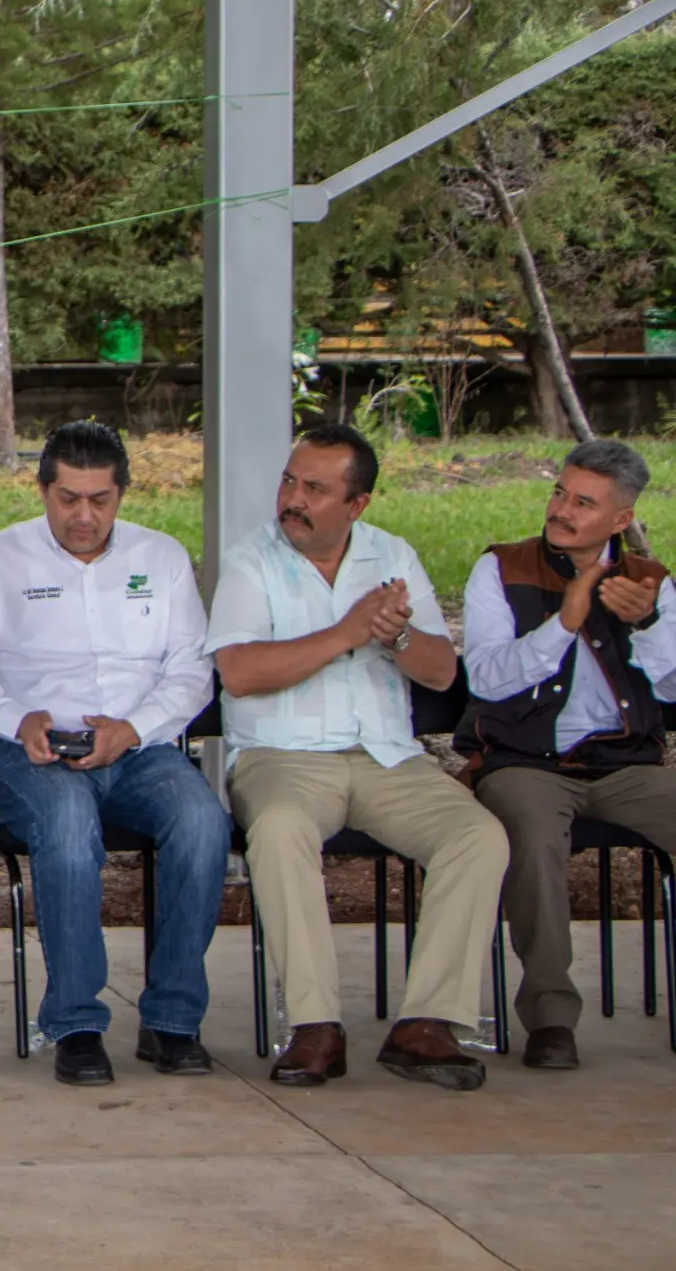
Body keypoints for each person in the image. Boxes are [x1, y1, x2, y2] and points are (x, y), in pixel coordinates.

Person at [208, 423, 505, 1090]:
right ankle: (315, 1026)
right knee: (280, 830)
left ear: (357, 504)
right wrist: (345, 634)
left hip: (385, 757)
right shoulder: (251, 560)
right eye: (290, 481)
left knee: (477, 835)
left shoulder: (391, 555)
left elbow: (438, 674)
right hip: (281, 757)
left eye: (314, 488)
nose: (293, 498)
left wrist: (396, 636)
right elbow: (240, 673)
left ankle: (426, 1023)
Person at [0, 421, 229, 1086]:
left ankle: (172, 1020)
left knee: (202, 822)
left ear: (122, 493)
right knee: (69, 831)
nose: (83, 515)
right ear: (43, 490)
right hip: (34, 751)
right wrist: (19, 719)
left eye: (99, 499)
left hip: (142, 749)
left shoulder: (160, 558)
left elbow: (191, 671)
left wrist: (132, 728)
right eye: (68, 498)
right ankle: (75, 1024)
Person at [458, 439, 676, 1071]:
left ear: (621, 518)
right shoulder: (501, 568)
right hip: (524, 761)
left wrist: (652, 623)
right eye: (560, 492)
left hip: (622, 764)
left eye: (584, 502)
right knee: (529, 836)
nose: (562, 509)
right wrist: (564, 622)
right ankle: (552, 1017)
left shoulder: (651, 582)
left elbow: (671, 689)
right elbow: (488, 679)